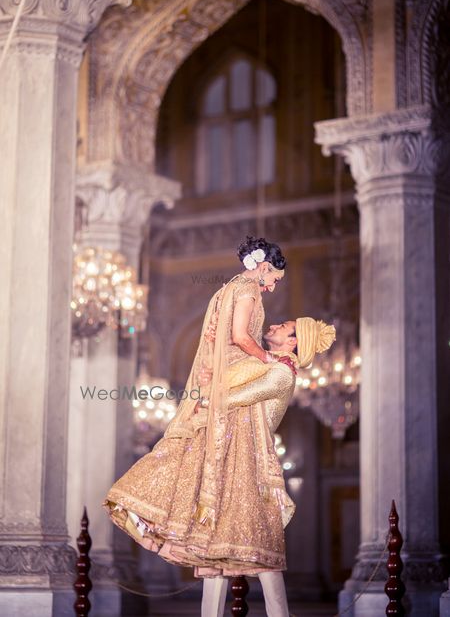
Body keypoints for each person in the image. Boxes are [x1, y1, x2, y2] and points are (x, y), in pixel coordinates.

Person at [103, 236, 335, 616]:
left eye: (286, 326)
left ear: (293, 344)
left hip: (248, 462)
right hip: (233, 450)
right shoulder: (247, 301)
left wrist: (205, 403)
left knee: (261, 550)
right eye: (274, 278)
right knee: (216, 549)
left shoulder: (279, 372)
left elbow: (233, 394)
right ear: (261, 267)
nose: (274, 290)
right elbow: (238, 342)